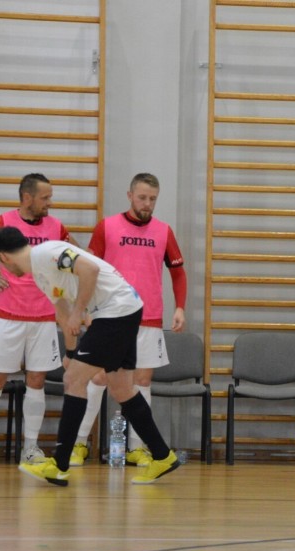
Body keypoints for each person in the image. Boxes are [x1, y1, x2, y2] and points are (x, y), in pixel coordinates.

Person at [0, 226, 179, 486]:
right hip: (121, 310)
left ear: (3, 257)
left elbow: (90, 269)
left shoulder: (47, 253)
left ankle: (60, 464)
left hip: (115, 310)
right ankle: (162, 455)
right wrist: (70, 351)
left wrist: (79, 312)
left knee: (73, 381)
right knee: (121, 388)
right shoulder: (41, 275)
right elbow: (63, 312)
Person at [69, 173, 187, 468]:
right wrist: (84, 310)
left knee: (142, 380)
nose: (148, 204)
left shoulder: (164, 231)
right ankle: (79, 444)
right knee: (97, 378)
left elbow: (178, 272)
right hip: (109, 316)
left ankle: (136, 447)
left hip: (148, 317)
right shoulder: (106, 227)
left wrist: (180, 307)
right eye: (143, 197)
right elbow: (86, 270)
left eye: (153, 199)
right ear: (130, 195)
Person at [0, 173, 76, 466]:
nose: (50, 202)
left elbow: (76, 257)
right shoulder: (2, 222)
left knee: (36, 381)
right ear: (27, 198)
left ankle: (31, 447)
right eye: (45, 197)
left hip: (44, 317)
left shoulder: (56, 227)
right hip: (9, 316)